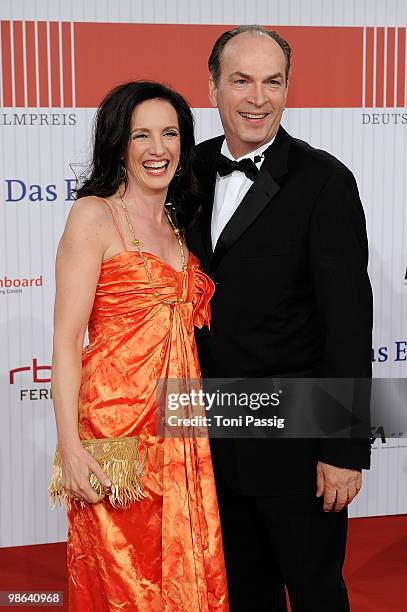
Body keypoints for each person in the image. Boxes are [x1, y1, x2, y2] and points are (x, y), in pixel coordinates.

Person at [187, 26, 373, 612]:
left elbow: (348, 323)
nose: (257, 98)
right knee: (242, 590)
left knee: (315, 589)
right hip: (206, 432)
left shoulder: (325, 182)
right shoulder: (184, 173)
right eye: (241, 80)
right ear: (212, 86)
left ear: (289, 91)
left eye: (273, 82)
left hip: (294, 436)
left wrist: (343, 449)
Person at [50, 81, 228, 611]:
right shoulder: (93, 216)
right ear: (117, 145)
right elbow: (64, 342)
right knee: (126, 580)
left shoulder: (179, 223)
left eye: (170, 133)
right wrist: (72, 449)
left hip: (179, 430)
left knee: (180, 567)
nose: (158, 149)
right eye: (141, 135)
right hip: (116, 433)